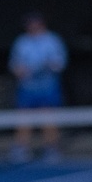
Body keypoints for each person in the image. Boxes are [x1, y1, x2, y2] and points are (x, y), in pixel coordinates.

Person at [8, 11, 68, 163]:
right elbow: (14, 65)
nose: (32, 26)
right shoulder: (21, 42)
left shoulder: (52, 40)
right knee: (24, 119)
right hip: (27, 88)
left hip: (47, 87)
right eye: (29, 23)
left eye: (35, 22)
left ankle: (52, 148)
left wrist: (50, 65)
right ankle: (21, 148)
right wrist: (20, 70)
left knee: (48, 117)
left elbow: (60, 63)